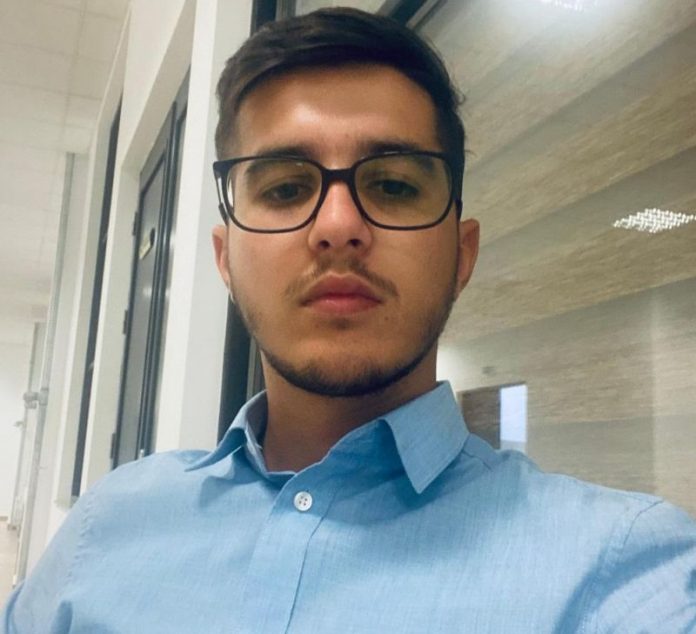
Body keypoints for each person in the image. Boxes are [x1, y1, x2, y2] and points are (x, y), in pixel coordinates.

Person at [3, 7, 696, 633]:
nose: (338, 225)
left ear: (461, 255)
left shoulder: (622, 571)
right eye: (285, 188)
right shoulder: (104, 530)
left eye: (392, 184)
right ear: (225, 259)